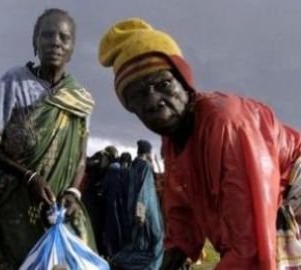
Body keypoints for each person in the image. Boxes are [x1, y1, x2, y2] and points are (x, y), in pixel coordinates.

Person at [98, 18, 301, 269]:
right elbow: (180, 214)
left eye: (163, 85)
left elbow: (250, 246)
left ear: (185, 83)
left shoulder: (227, 124)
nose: (153, 102)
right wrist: (172, 258)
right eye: (137, 95)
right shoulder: (174, 141)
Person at [0, 8, 95, 269]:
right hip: (17, 203)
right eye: (47, 35)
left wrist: (74, 191)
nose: (56, 42)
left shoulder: (81, 98)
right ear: (35, 41)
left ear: (73, 48)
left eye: (64, 37)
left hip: (60, 209)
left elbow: (80, 154)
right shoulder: (14, 83)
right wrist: (27, 176)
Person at [108, 140, 164, 270]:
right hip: (146, 213)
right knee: (154, 244)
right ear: (148, 152)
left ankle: (122, 262)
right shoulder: (145, 167)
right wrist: (141, 213)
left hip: (131, 210)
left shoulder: (133, 166)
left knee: (138, 242)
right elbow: (145, 190)